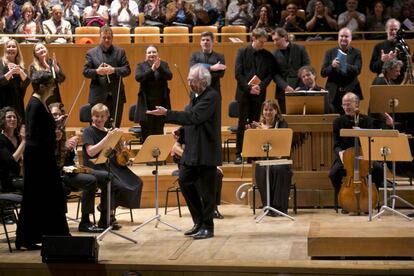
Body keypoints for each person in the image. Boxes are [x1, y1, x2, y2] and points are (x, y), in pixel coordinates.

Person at [147, 64, 221, 240]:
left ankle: (208, 227)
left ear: (202, 81)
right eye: (188, 79)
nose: (188, 82)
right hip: (193, 150)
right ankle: (198, 221)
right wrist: (182, 131)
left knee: (207, 192)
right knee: (184, 180)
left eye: (192, 80)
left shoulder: (211, 96)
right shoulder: (195, 96)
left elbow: (195, 117)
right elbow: (193, 121)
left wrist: (167, 114)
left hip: (206, 151)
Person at [16, 71, 70, 250]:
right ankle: (29, 238)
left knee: (48, 197)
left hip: (41, 158)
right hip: (38, 160)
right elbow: (33, 135)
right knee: (37, 197)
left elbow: (40, 130)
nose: (54, 87)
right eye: (51, 84)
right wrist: (53, 136)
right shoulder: (34, 104)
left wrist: (54, 130)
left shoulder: (40, 103)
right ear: (42, 86)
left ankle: (51, 235)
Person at [82, 103, 143, 230]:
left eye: (102, 116)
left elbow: (114, 153)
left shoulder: (109, 132)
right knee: (115, 183)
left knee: (136, 182)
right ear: (92, 116)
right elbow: (91, 152)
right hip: (94, 167)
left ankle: (109, 208)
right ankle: (106, 217)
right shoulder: (88, 131)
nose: (99, 119)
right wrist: (107, 139)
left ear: (107, 117)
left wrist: (119, 145)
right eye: (96, 116)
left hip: (110, 165)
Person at [328, 92, 390, 214]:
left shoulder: (367, 120)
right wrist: (340, 153)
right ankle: (343, 200)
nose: (346, 107)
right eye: (344, 105)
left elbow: (375, 138)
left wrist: (364, 132)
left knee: (378, 170)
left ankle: (371, 200)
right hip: (346, 157)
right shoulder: (337, 122)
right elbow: (336, 144)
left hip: (365, 156)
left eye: (348, 104)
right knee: (333, 173)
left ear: (356, 104)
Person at [49, 102, 105, 233]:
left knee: (107, 176)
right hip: (59, 174)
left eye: (59, 114)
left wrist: (71, 149)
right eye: (54, 114)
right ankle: (85, 221)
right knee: (90, 180)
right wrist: (64, 146)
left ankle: (106, 217)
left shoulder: (62, 132)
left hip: (71, 170)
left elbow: (68, 157)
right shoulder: (47, 133)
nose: (57, 117)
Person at [234, 28, 275, 165]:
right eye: (260, 42)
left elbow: (270, 75)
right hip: (244, 94)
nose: (263, 45)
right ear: (253, 38)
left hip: (258, 94)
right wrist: (249, 88)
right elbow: (238, 74)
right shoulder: (242, 52)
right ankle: (239, 153)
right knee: (242, 124)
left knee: (254, 123)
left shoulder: (268, 55)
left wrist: (260, 87)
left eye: (264, 42)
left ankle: (252, 153)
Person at [248, 99, 293, 216]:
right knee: (262, 169)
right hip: (264, 160)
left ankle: (280, 207)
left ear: (276, 111)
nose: (268, 112)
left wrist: (264, 131)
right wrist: (252, 134)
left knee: (279, 169)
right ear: (262, 112)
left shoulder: (283, 124)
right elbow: (254, 152)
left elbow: (284, 146)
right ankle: (268, 206)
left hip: (280, 160)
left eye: (271, 110)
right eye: (266, 110)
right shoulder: (258, 126)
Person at [83, 26, 131, 128]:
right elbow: (86, 72)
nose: (106, 40)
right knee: (97, 127)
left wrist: (113, 70)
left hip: (116, 96)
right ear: (99, 38)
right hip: (98, 96)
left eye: (109, 37)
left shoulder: (120, 52)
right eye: (104, 37)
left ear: (112, 38)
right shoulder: (91, 53)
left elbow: (127, 70)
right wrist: (97, 71)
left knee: (115, 127)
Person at [171, 127, 224, 219]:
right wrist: (190, 158)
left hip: (202, 162)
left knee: (217, 174)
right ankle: (200, 210)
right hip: (187, 163)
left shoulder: (205, 134)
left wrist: (213, 165)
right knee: (197, 175)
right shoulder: (186, 129)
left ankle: (214, 207)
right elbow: (175, 148)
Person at [134, 45, 172, 142]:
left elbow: (169, 76)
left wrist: (159, 68)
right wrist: (152, 70)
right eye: (149, 52)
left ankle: (159, 156)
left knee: (159, 131)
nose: (152, 54)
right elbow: (138, 77)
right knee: (146, 133)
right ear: (146, 55)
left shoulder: (163, 64)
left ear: (158, 54)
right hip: (146, 104)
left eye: (154, 52)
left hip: (161, 103)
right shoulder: (141, 65)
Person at [321, 27, 362, 114]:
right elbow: (323, 72)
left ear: (350, 39)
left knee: (351, 119)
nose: (343, 38)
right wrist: (332, 66)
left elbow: (357, 70)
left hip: (351, 91)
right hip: (333, 93)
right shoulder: (329, 52)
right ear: (338, 38)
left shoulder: (356, 52)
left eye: (346, 36)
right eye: (341, 36)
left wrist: (344, 65)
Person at [271, 27, 310, 114]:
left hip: (300, 89)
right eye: (273, 40)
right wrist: (285, 87)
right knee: (286, 119)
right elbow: (275, 74)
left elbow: (306, 68)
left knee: (301, 119)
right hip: (282, 91)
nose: (274, 43)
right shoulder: (273, 54)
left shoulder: (300, 49)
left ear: (285, 37)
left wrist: (299, 87)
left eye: (277, 40)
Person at [369, 19, 408, 84]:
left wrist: (396, 61)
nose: (394, 32)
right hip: (383, 83)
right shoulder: (378, 46)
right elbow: (372, 68)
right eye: (391, 29)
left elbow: (406, 68)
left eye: (396, 29)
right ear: (386, 29)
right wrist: (382, 61)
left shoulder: (404, 47)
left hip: (400, 84)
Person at [0, 39, 30, 121]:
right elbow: (1, 81)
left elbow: (27, 81)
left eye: (13, 46)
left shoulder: (21, 65)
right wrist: (11, 72)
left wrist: (19, 71)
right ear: (5, 49)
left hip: (17, 101)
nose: (11, 48)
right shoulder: (1, 62)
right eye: (8, 46)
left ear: (17, 50)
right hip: (3, 101)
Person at [189, 31, 226, 97]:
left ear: (212, 42)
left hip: (214, 90)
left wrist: (200, 72)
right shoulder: (194, 55)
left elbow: (220, 74)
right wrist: (212, 68)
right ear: (200, 43)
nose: (205, 42)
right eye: (203, 40)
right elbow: (193, 69)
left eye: (208, 40)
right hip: (197, 90)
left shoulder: (220, 56)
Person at [0, 107, 25, 194]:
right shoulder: (1, 139)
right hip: (8, 180)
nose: (13, 119)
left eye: (15, 117)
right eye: (9, 117)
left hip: (20, 177)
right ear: (3, 120)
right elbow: (11, 162)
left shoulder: (18, 138)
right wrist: (24, 141)